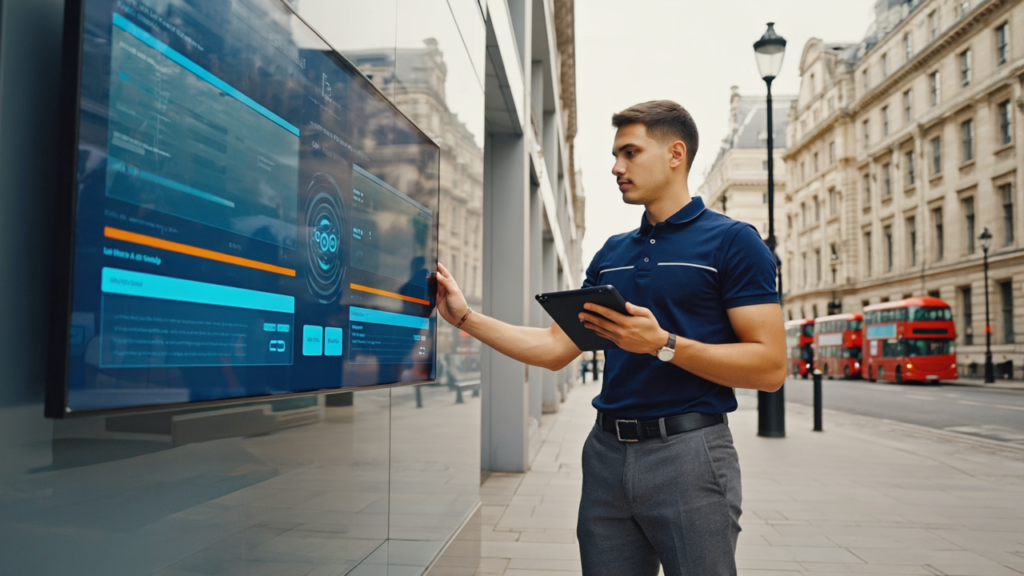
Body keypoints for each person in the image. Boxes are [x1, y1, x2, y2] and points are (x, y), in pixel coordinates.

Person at [434, 100, 786, 576]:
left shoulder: (734, 242)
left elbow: (770, 367)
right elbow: (554, 349)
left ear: (676, 154)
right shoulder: (611, 254)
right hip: (605, 456)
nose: (616, 167)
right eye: (616, 155)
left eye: (630, 153)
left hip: (690, 454)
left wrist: (662, 343)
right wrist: (464, 318)